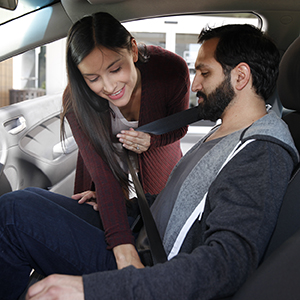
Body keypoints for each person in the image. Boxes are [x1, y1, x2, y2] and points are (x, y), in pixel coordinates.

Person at [0, 24, 298, 300]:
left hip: (154, 268)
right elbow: (184, 203)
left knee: (13, 217)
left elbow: (227, 263)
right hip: (144, 229)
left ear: (240, 76)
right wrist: (121, 206)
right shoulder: (226, 130)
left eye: (205, 73)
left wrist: (92, 288)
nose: (194, 85)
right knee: (23, 200)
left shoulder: (262, 151)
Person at [61, 11, 190, 267]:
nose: (108, 87)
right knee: (100, 221)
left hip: (158, 159)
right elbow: (103, 176)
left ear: (132, 49)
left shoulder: (170, 70)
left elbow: (180, 127)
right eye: (93, 78)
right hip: (104, 169)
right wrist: (123, 250)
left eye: (115, 69)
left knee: (157, 230)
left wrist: (151, 141)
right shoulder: (75, 100)